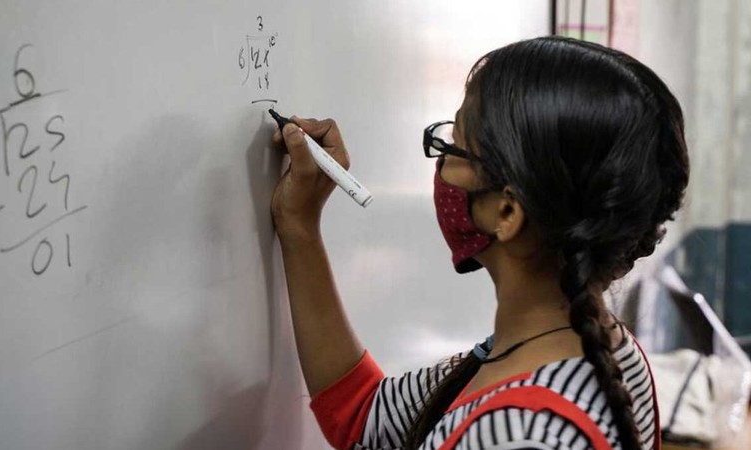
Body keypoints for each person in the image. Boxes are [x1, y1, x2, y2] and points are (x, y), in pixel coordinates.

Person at [269, 36, 689, 450]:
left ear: (507, 212)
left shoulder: (523, 435)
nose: (442, 163)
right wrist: (300, 226)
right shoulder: (599, 348)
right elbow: (366, 417)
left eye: (454, 146)